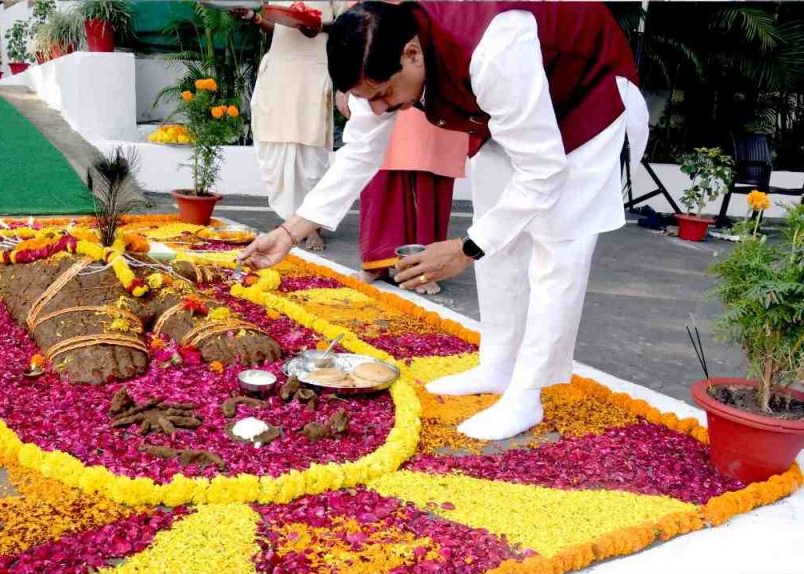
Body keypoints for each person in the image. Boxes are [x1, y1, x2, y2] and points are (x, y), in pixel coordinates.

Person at [239, 2, 650, 441]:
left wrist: (465, 249)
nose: (378, 109)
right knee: (499, 239)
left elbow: (544, 170)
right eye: (367, 99)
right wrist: (289, 232)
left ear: (413, 54)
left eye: (382, 94)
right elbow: (360, 149)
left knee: (556, 247)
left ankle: (526, 394)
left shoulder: (495, 47)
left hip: (588, 100)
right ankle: (497, 366)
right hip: (514, 113)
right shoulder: (376, 54)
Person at [233, 2, 347, 251]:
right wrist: (253, 18)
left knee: (311, 150)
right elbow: (278, 28)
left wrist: (318, 27)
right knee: (273, 142)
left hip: (313, 70)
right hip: (279, 69)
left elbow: (350, 24)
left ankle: (312, 226)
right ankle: (290, 221)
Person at [352, 105, 467, 295]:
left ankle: (424, 268)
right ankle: (375, 264)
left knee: (427, 167)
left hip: (431, 96)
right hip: (385, 93)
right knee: (381, 172)